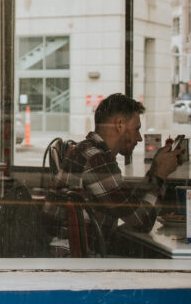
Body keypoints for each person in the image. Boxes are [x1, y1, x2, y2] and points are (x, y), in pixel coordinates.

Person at [42, 92, 181, 253]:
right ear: (120, 125)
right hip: (76, 256)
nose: (139, 138)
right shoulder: (96, 159)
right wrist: (160, 175)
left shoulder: (89, 150)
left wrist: (156, 168)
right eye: (136, 129)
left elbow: (129, 204)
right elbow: (141, 221)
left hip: (77, 251)